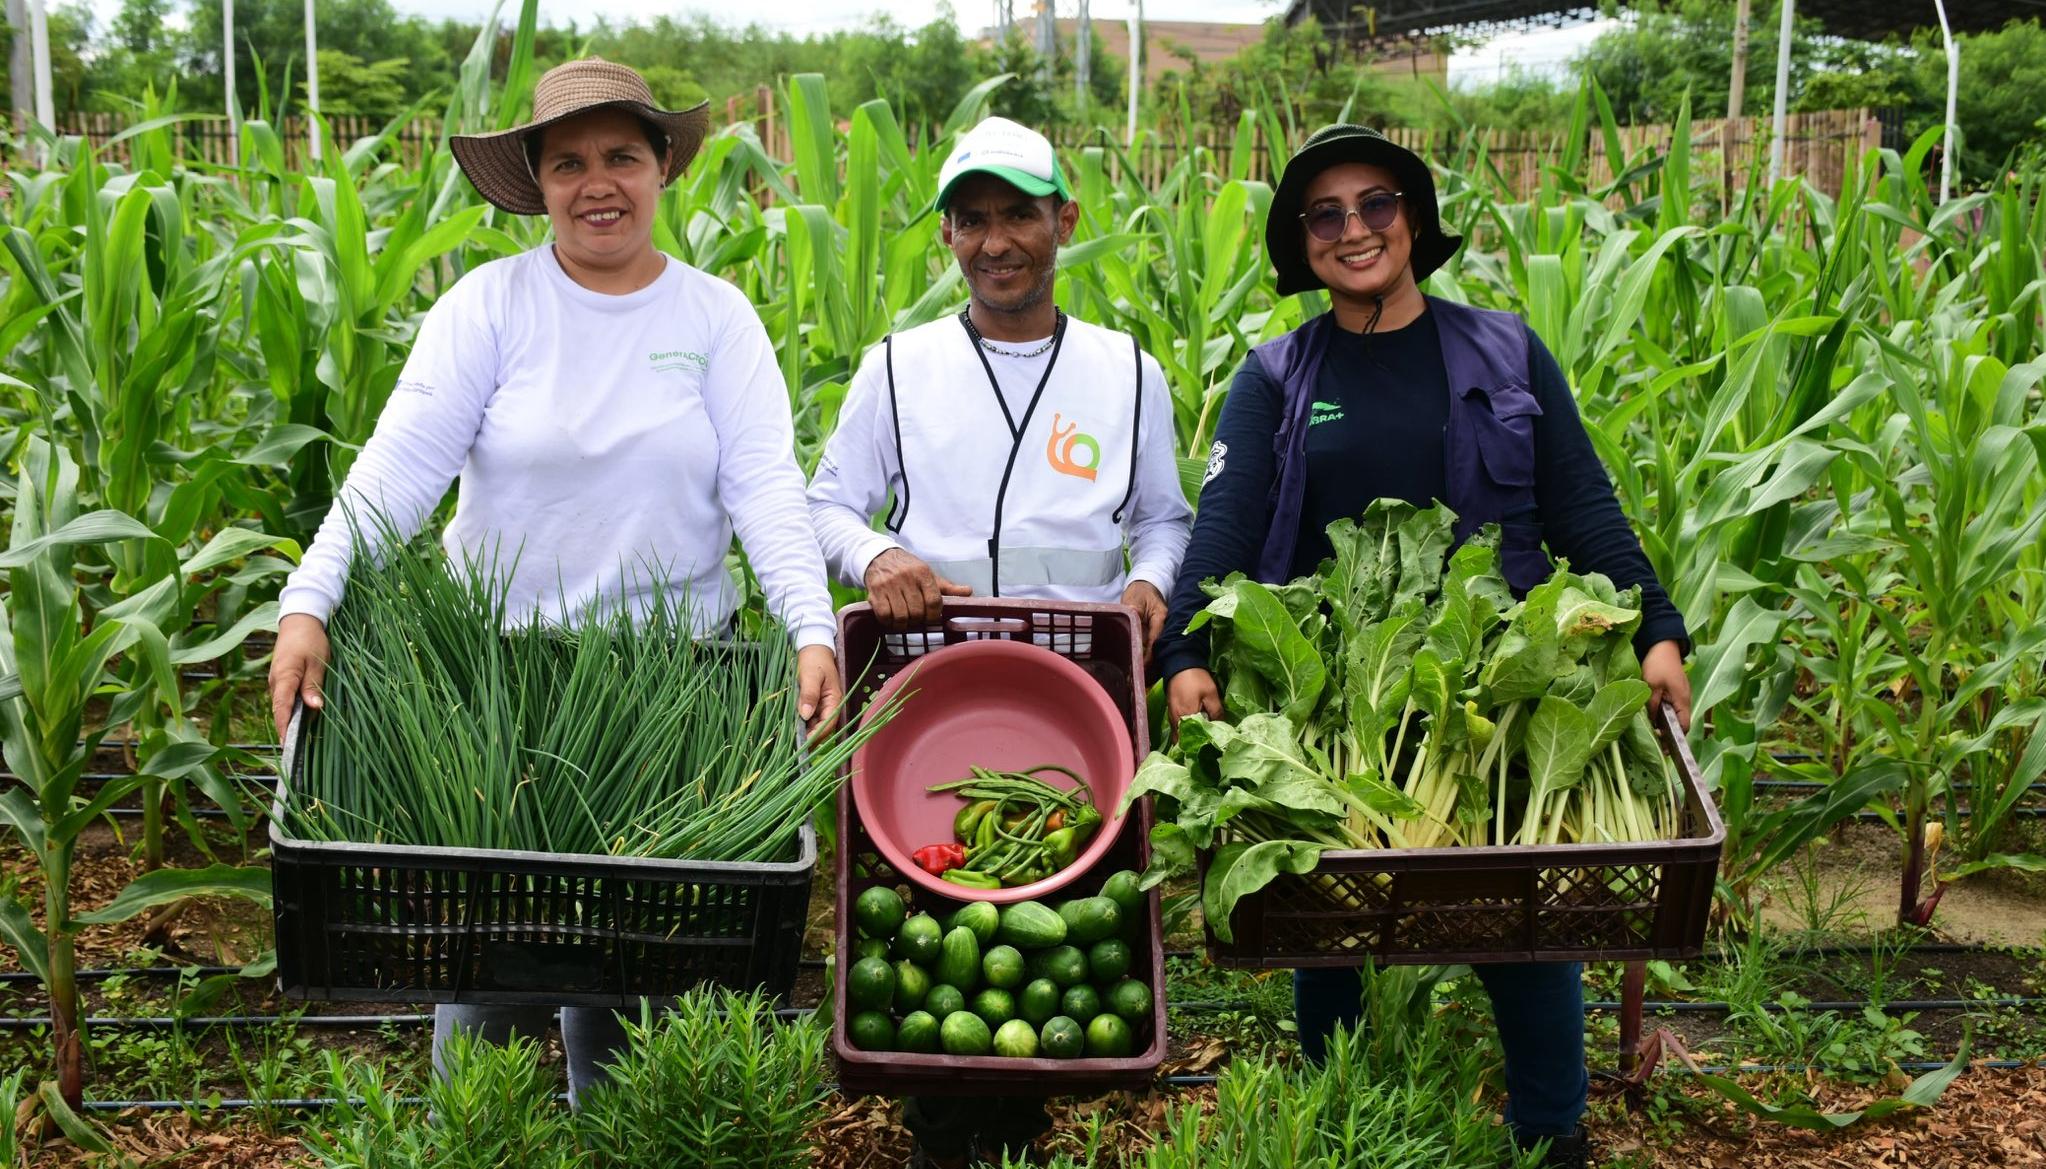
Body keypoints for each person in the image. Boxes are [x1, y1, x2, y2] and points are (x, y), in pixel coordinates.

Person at [265, 57, 843, 1104]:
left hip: (671, 693)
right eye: (568, 161)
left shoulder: (716, 321)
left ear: (663, 164)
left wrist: (812, 627)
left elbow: (766, 486)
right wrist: (311, 600)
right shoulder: (491, 308)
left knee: (637, 980)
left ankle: (614, 1130)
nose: (599, 182)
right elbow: (398, 469)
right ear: (536, 180)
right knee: (486, 965)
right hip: (502, 686)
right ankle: (482, 1131)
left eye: (622, 154)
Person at [1152, 124, 1695, 1169]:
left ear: (1415, 218)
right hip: (1339, 691)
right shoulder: (1275, 376)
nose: (1355, 229)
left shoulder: (1504, 346)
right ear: (1300, 241)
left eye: (1378, 203)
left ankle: (1551, 1134)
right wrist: (1185, 651)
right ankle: (1343, 1120)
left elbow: (1583, 504)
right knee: (1330, 912)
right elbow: (1223, 527)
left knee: (1520, 919)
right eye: (1325, 213)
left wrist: (1658, 627)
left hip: (1502, 676)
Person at [807, 116, 1192, 1168]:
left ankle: (1024, 1122)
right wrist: (879, 554)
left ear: (1064, 219)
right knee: (925, 913)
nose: (995, 240)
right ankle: (942, 1128)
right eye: (971, 220)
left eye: (1018, 212)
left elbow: (1164, 513)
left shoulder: (1125, 370)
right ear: (948, 237)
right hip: (931, 688)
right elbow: (828, 506)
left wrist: (1153, 579)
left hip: (1079, 686)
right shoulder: (899, 367)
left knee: (1062, 912)